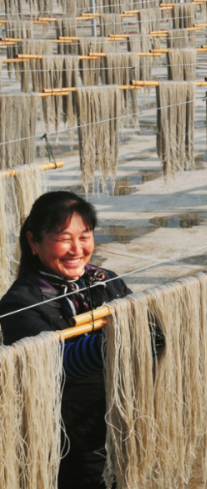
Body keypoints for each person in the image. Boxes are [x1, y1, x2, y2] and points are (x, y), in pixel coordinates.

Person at [0, 192, 133, 488]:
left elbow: (148, 328)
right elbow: (53, 363)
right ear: (34, 242)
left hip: (120, 425)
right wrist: (111, 342)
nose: (77, 249)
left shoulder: (106, 281)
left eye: (85, 237)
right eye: (63, 239)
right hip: (68, 441)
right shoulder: (20, 303)